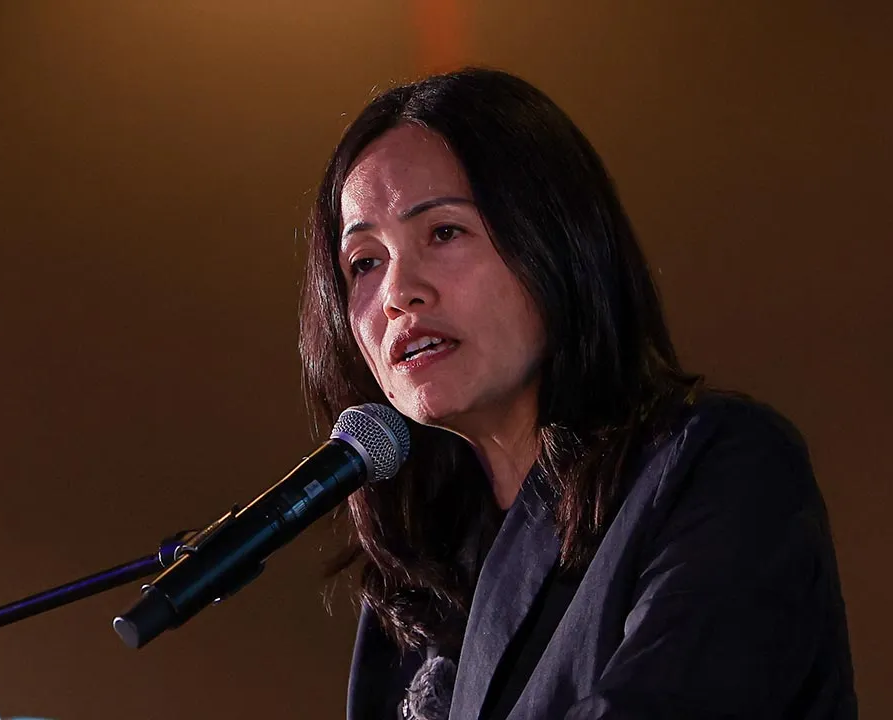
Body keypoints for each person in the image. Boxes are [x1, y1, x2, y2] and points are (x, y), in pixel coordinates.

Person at [298, 68, 856, 720]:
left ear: (557, 241)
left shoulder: (719, 469)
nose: (398, 293)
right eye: (364, 261)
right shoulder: (415, 591)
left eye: (444, 232)